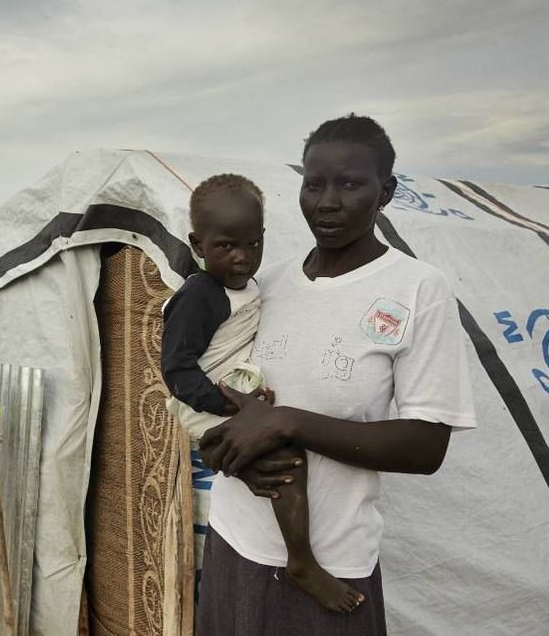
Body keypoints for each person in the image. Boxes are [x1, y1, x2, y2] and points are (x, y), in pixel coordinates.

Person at [196, 115, 476, 635]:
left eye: (350, 184)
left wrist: (286, 424)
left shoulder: (417, 289)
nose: (327, 201)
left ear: (385, 191)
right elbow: (217, 396)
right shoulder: (262, 287)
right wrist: (230, 456)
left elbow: (426, 446)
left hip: (333, 568)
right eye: (314, 184)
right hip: (237, 542)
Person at [162, 173, 362, 611]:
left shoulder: (252, 285)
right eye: (226, 246)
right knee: (285, 461)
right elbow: (175, 369)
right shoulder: (200, 295)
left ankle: (253, 483)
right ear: (198, 246)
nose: (241, 257)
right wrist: (231, 404)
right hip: (201, 399)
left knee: (277, 454)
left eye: (252, 245)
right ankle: (301, 562)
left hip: (227, 394)